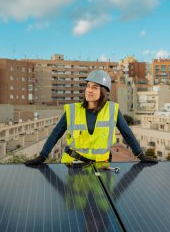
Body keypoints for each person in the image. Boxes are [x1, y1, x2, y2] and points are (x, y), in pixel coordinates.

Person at [24, 70, 158, 166]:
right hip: (73, 165)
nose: (89, 90)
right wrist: (42, 156)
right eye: (88, 86)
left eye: (94, 87)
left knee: (101, 204)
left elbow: (127, 134)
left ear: (104, 92)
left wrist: (141, 156)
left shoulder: (112, 110)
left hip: (101, 167)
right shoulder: (73, 110)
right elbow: (55, 134)